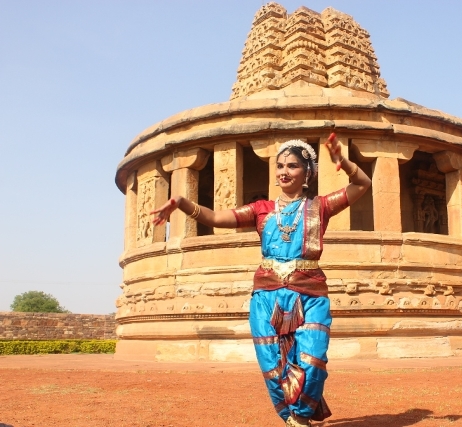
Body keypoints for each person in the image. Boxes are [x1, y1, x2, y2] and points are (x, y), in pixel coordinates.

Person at [151, 135, 371, 427]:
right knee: (272, 362)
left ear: (307, 173)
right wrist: (181, 202)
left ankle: (302, 411)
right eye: (280, 165)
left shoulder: (321, 207)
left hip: (310, 293)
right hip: (267, 296)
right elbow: (216, 217)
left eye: (292, 166)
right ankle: (294, 419)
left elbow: (362, 185)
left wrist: (342, 161)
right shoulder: (261, 210)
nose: (283, 171)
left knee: (313, 358)